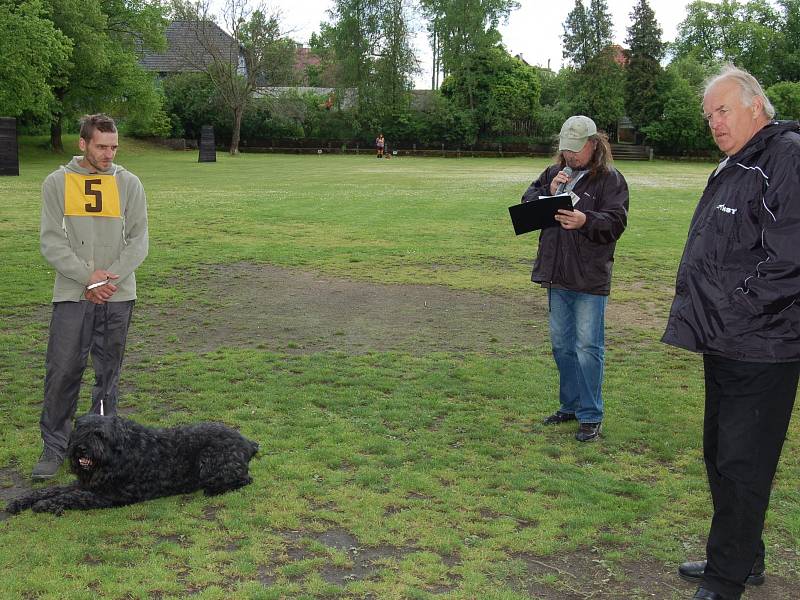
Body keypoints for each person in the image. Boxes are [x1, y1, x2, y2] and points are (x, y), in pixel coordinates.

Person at [662, 65, 800, 600]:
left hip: (764, 345)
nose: (714, 123)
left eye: (722, 110)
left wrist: (737, 310)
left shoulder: (785, 157)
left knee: (742, 462)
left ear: (755, 105)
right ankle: (743, 557)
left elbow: (790, 259)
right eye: (708, 116)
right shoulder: (739, 162)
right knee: (723, 455)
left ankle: (726, 580)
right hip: (725, 340)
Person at [33, 113, 149, 480]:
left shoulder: (129, 183)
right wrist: (87, 277)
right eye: (101, 146)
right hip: (73, 293)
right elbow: (52, 240)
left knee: (107, 375)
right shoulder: (57, 182)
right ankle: (54, 447)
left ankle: (102, 451)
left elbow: (139, 240)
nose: (108, 154)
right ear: (82, 144)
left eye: (113, 147)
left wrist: (108, 279)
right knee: (63, 370)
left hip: (117, 293)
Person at [520, 116, 628, 442]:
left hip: (589, 279)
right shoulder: (554, 174)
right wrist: (547, 193)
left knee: (587, 348)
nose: (570, 157)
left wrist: (585, 220)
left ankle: (590, 415)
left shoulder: (610, 180)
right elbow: (525, 207)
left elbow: (615, 223)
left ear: (594, 145)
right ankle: (569, 406)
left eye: (576, 151)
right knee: (561, 347)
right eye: (566, 151)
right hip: (556, 276)